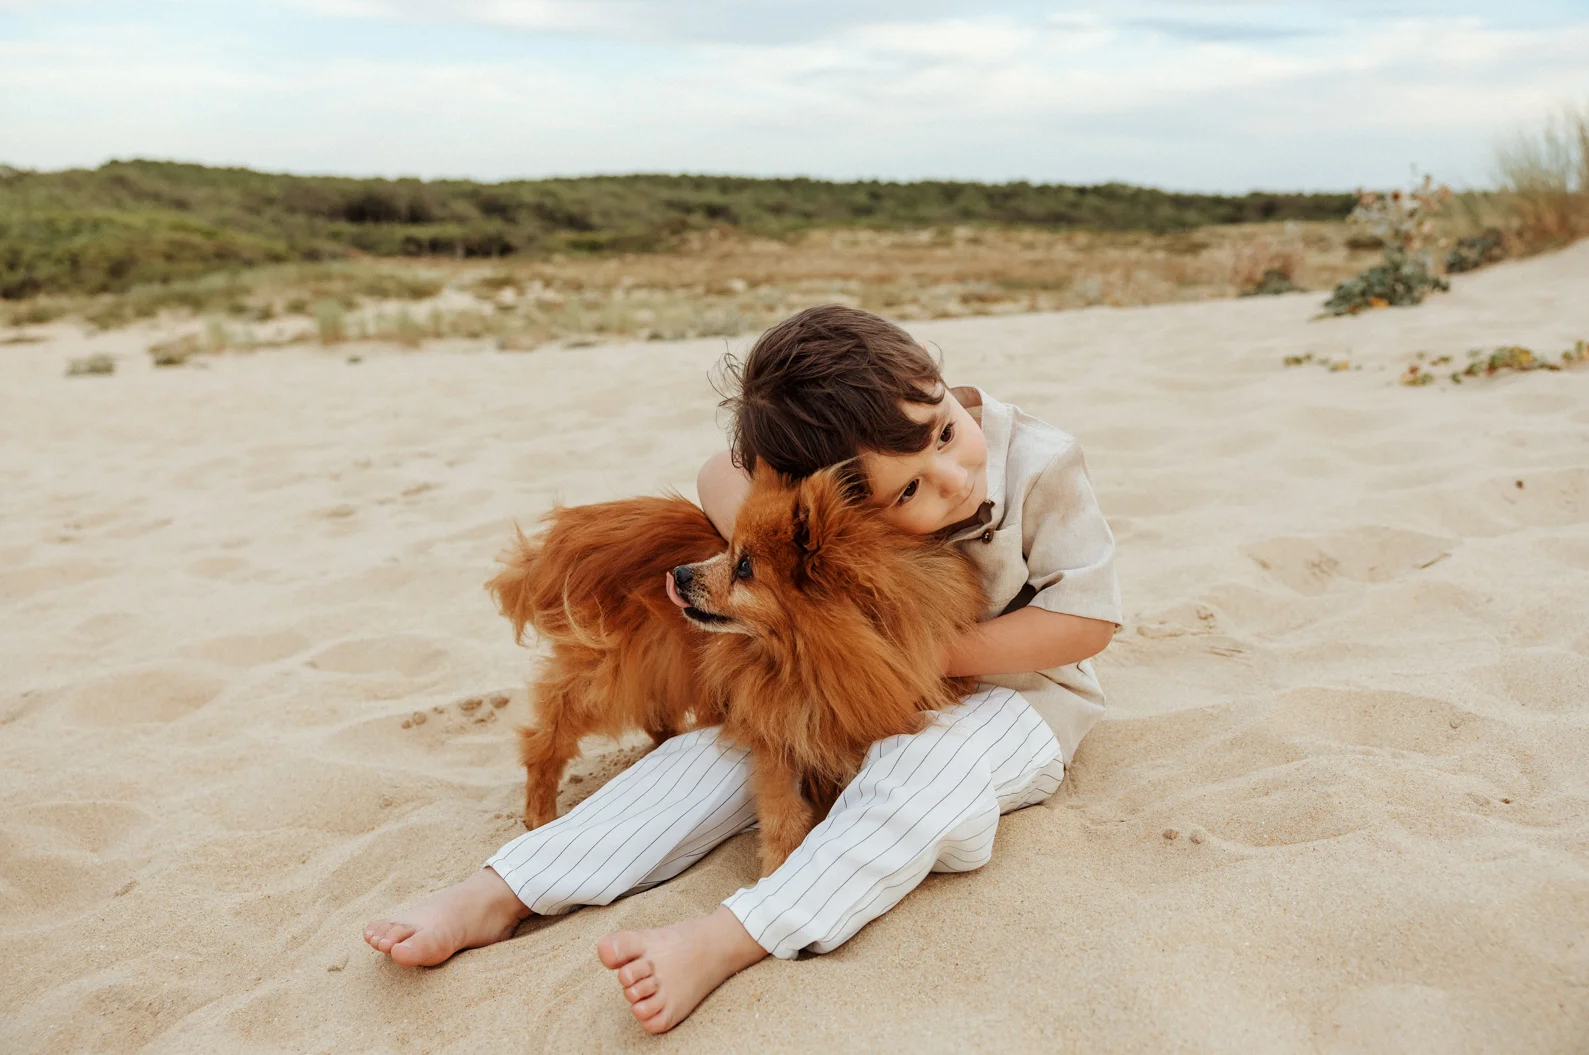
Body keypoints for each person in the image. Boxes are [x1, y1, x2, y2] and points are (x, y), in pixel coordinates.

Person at [363, 305, 1121, 1034]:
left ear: (939, 388)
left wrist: (913, 653)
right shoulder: (829, 485)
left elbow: (1088, 620)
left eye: (947, 432)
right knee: (709, 758)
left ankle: (734, 935)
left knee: (919, 771)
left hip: (1017, 700)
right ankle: (501, 889)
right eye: (910, 491)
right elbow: (718, 473)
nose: (953, 476)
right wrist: (771, 559)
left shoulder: (1038, 461)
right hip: (852, 696)